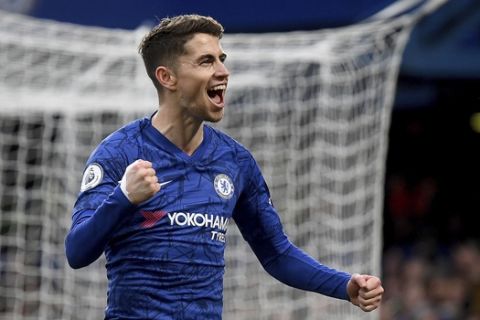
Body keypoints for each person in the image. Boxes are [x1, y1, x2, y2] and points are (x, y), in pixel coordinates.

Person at [65, 14, 384, 319]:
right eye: (207, 61)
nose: (223, 71)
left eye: (222, 59)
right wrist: (123, 197)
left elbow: (276, 254)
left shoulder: (235, 161)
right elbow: (77, 252)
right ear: (167, 77)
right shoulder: (119, 152)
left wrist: (343, 285)